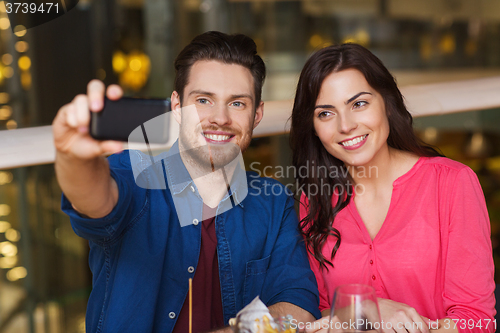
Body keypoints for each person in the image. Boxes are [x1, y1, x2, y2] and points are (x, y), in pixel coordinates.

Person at [53, 31, 320, 333]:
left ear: (256, 114)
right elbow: (94, 199)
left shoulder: (273, 203)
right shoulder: (134, 172)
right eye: (204, 100)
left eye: (237, 104)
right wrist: (73, 157)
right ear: (177, 106)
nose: (219, 118)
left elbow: (298, 306)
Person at [289, 44, 495, 333]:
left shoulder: (451, 183)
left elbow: (477, 319)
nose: (345, 125)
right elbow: (318, 311)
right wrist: (368, 310)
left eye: (359, 104)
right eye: (326, 113)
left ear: (386, 102)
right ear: (312, 126)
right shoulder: (313, 201)